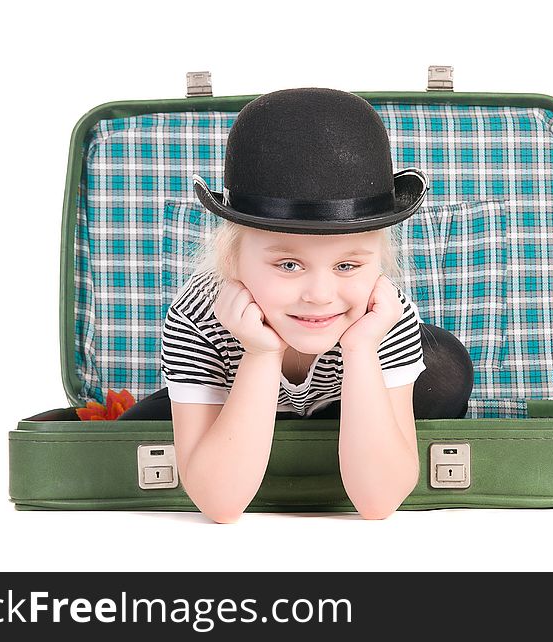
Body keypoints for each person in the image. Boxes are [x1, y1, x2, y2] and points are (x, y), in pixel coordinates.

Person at [119, 88, 473, 523]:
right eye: (288, 264)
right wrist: (261, 353)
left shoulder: (382, 313)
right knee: (133, 429)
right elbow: (219, 504)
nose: (320, 294)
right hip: (234, 398)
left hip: (346, 399)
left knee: (446, 370)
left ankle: (329, 427)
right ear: (232, 259)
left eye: (347, 264)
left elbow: (378, 503)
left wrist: (361, 352)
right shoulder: (197, 315)